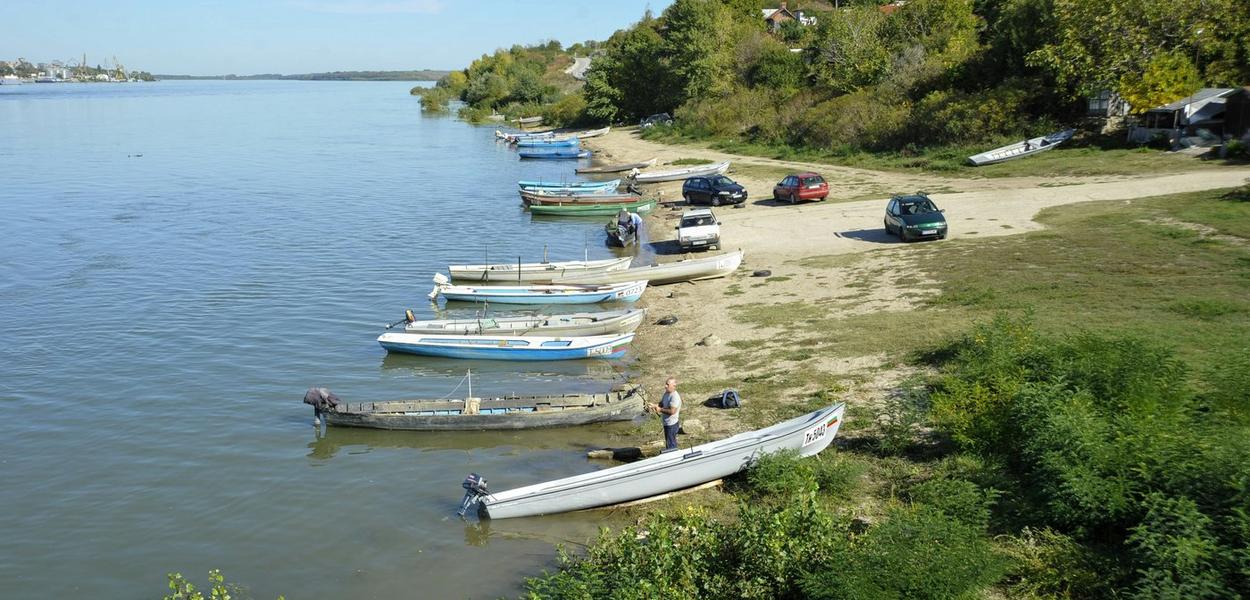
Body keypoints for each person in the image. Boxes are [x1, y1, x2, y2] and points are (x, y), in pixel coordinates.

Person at [650, 377, 682, 451]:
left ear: (673, 386)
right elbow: (662, 403)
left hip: (672, 424)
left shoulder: (675, 397)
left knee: (671, 445)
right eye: (665, 384)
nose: (665, 386)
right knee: (669, 442)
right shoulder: (666, 393)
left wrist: (660, 410)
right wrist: (655, 405)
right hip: (666, 423)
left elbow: (672, 411)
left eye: (667, 384)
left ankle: (673, 457)